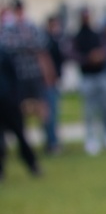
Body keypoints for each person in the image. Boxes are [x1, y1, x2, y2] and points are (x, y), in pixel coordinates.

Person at [0, 0, 56, 143]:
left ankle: (51, 141)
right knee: (19, 110)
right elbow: (7, 47)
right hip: (17, 77)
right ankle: (24, 142)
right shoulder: (7, 29)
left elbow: (42, 50)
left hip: (35, 75)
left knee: (43, 108)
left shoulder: (32, 27)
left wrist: (48, 74)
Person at [71, 8, 106, 155]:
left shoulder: (98, 35)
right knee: (89, 110)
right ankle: (91, 139)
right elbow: (73, 54)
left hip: (102, 74)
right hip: (87, 76)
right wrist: (88, 58)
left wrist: (101, 55)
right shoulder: (78, 36)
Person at [0, 42, 42, 179]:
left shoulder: (4, 52)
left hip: (8, 102)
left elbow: (15, 77)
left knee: (21, 135)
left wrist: (17, 98)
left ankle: (33, 164)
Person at [43, 15, 67, 154]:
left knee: (53, 112)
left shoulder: (56, 40)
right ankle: (52, 143)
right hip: (48, 82)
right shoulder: (47, 41)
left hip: (55, 81)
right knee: (50, 113)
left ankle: (53, 141)